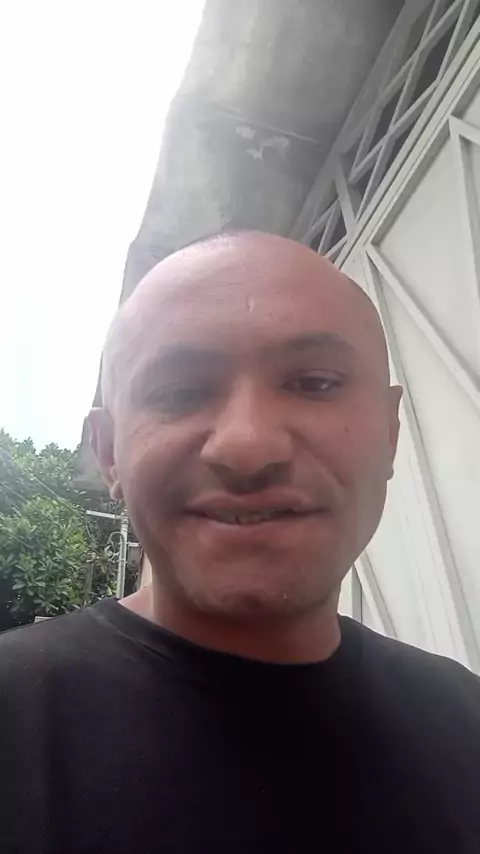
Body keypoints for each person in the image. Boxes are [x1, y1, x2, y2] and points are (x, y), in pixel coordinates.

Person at [1, 232, 479, 854]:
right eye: (179, 392)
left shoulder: (465, 725)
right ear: (110, 451)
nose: (248, 446)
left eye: (314, 383)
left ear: (389, 433)